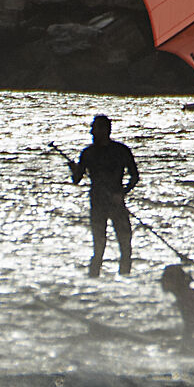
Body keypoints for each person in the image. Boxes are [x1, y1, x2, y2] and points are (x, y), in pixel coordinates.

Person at [68, 113, 140, 277]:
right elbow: (77, 179)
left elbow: (135, 176)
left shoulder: (120, 151)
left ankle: (124, 279)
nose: (91, 133)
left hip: (116, 203)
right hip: (98, 203)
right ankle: (94, 281)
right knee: (99, 246)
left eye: (94, 129)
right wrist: (75, 169)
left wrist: (122, 193)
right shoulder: (87, 153)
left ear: (104, 130)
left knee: (125, 245)